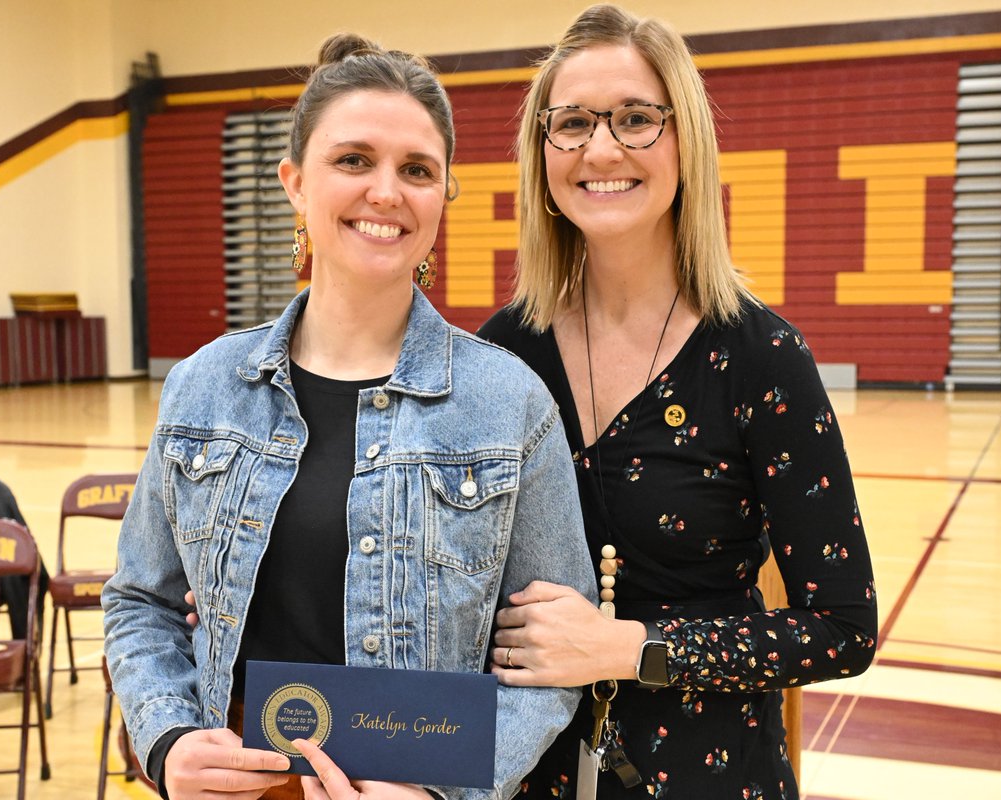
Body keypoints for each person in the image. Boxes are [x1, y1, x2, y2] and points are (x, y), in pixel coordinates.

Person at [103, 34, 595, 800]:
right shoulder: (203, 388)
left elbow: (552, 663)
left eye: (418, 170)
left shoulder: (510, 403)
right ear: (295, 183)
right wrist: (166, 741)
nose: (387, 192)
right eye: (354, 160)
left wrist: (442, 791)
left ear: (442, 198)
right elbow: (141, 600)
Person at [478, 5, 878, 797]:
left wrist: (630, 649)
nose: (601, 148)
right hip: (525, 775)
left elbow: (842, 631)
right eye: (571, 124)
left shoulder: (760, 357)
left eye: (635, 119)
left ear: (685, 141)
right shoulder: (502, 354)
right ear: (542, 153)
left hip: (710, 773)